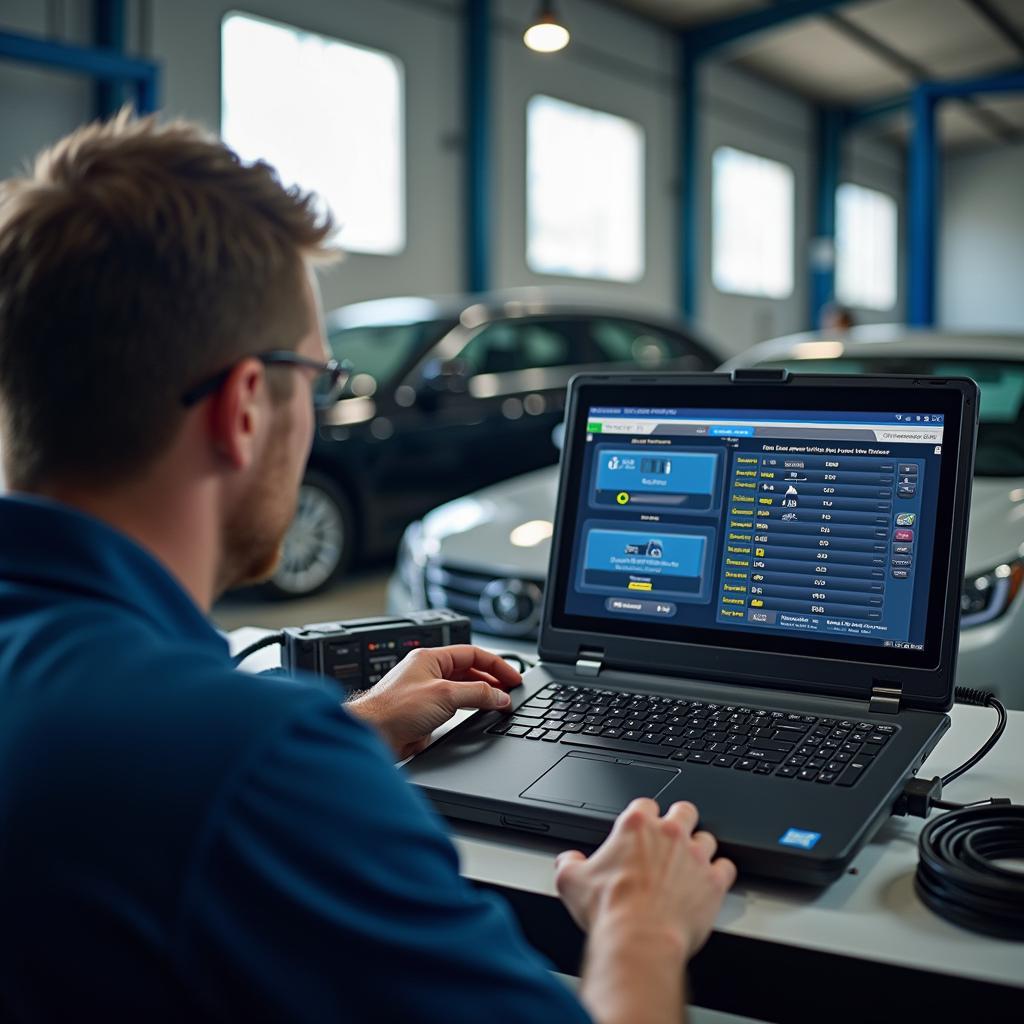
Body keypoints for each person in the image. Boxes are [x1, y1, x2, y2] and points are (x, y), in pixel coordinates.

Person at [0, 111, 735, 1022]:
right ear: (242, 409)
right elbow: (205, 778)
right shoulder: (252, 766)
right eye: (318, 379)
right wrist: (642, 927)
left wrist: (348, 730)